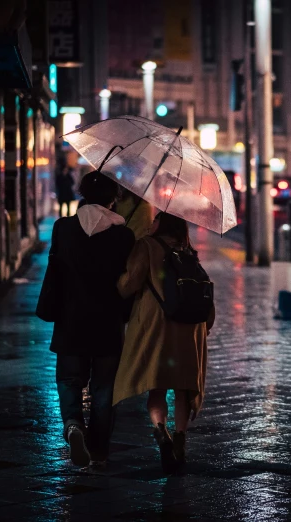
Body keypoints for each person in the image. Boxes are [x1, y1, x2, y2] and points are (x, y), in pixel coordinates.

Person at [114, 212, 214, 473]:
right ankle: (180, 436)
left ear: (162, 224)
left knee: (155, 387)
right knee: (182, 387)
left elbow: (129, 284)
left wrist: (117, 282)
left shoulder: (146, 246)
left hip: (155, 326)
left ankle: (161, 434)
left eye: (156, 219)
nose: (151, 222)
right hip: (190, 328)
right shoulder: (188, 250)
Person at [47, 171, 135, 467]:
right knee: (104, 387)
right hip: (108, 323)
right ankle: (98, 448)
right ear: (114, 199)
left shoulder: (63, 228)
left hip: (70, 320)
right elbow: (127, 281)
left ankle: (73, 425)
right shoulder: (125, 235)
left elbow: (55, 271)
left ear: (82, 194)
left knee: (69, 379)